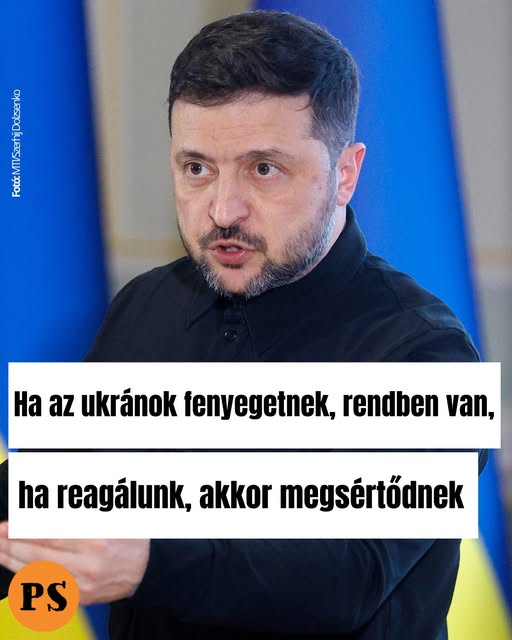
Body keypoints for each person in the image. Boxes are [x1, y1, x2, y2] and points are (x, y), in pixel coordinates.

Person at [0, 10, 484, 639]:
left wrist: (149, 561)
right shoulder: (145, 305)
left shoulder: (426, 354)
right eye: (197, 168)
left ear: (345, 174)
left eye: (264, 169)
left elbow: (346, 579)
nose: (222, 211)